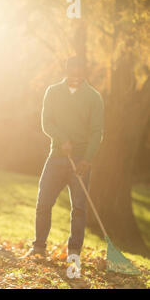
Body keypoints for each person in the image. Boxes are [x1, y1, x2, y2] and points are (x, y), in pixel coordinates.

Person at [24, 56, 104, 258]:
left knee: (78, 207)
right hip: (57, 155)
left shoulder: (94, 97)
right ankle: (39, 247)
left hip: (81, 159)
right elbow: (46, 122)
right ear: (66, 72)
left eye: (79, 73)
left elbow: (97, 132)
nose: (75, 77)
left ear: (84, 73)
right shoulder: (53, 92)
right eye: (71, 73)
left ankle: (74, 252)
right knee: (44, 201)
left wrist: (87, 159)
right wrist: (62, 139)